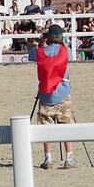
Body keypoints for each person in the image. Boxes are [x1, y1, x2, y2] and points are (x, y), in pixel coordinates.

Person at [33, 24, 76, 169]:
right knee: (66, 126)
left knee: (46, 127)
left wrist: (41, 41)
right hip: (63, 92)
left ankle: (48, 158)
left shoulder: (40, 52)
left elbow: (31, 54)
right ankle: (69, 158)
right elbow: (69, 54)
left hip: (45, 94)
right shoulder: (66, 51)